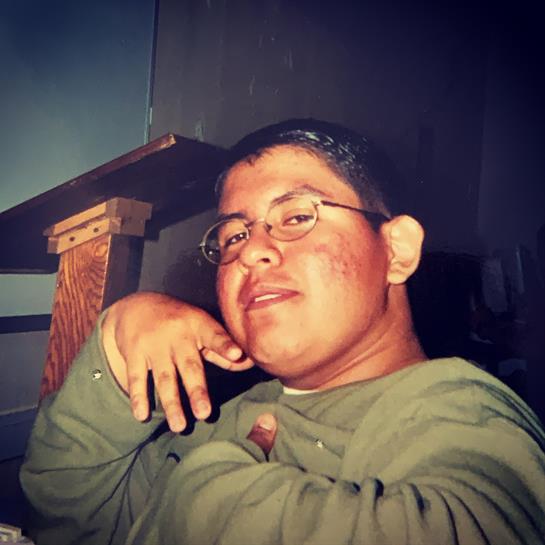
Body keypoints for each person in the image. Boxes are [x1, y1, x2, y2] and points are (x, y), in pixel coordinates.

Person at [21, 119, 545, 545]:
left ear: (397, 250)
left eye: (296, 217)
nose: (251, 250)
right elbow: (69, 520)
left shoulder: (457, 408)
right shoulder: (222, 417)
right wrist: (115, 347)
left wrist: (211, 497)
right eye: (233, 235)